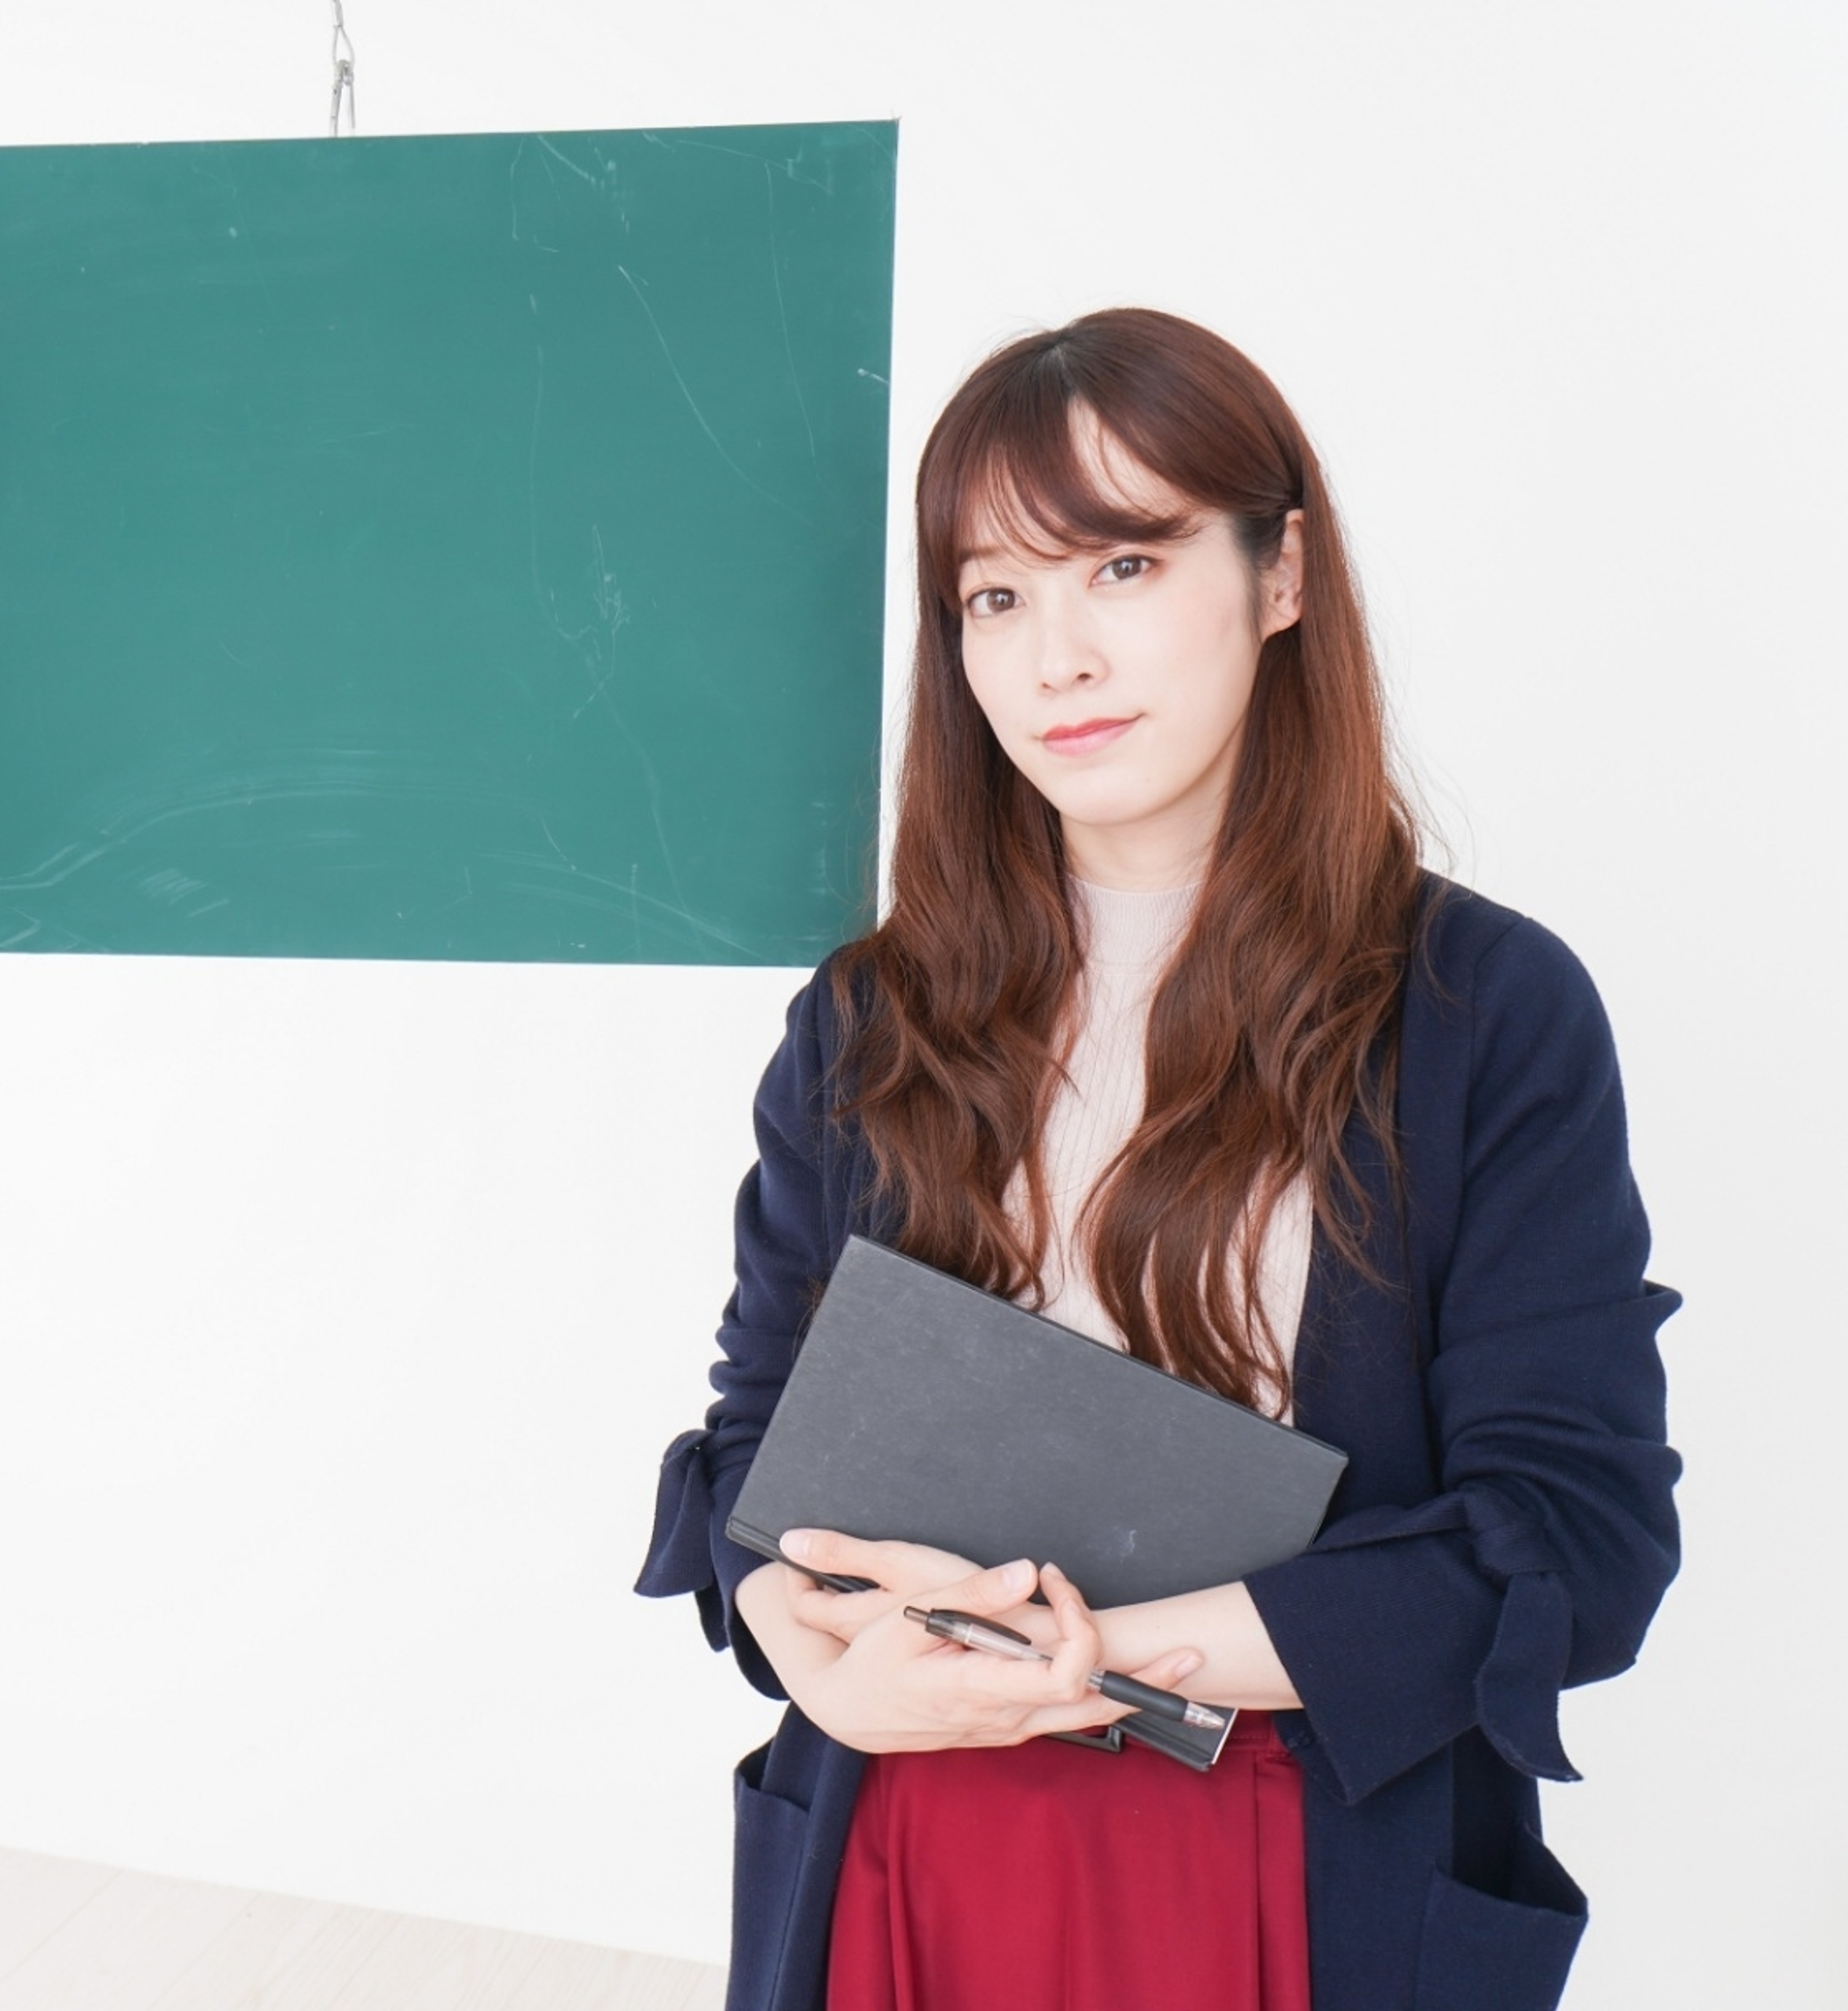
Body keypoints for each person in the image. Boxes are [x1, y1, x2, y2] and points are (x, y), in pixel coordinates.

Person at [636, 308, 1680, 2011]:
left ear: (1281, 575)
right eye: (996, 595)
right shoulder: (870, 1016)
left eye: (1119, 566)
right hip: (906, 1839)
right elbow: (761, 1434)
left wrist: (1095, 1659)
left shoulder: (1480, 1010)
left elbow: (1574, 1534)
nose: (1055, 655)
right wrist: (810, 1652)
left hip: (1283, 1856)